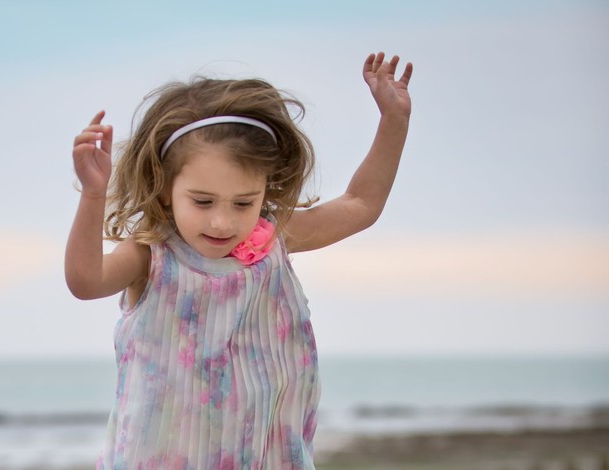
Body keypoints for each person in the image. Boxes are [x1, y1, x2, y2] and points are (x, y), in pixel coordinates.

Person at [66, 52, 413, 469]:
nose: (222, 221)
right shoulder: (152, 255)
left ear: (265, 191)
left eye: (243, 202)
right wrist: (92, 194)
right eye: (202, 201)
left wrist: (394, 122)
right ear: (164, 189)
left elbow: (360, 203)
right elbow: (85, 281)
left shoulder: (274, 236)